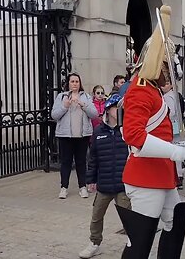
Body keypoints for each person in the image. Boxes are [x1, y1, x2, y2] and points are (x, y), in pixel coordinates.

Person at [116, 5, 185, 258]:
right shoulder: (140, 89)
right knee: (140, 240)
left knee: (174, 222)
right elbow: (134, 138)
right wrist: (174, 152)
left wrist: (176, 151)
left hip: (161, 173)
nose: (170, 72)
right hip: (145, 176)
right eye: (166, 66)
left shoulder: (154, 91)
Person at [79, 94, 131, 259]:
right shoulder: (98, 132)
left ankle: (134, 242)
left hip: (123, 184)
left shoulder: (127, 129)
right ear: (108, 110)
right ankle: (94, 243)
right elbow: (93, 158)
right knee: (96, 216)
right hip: (104, 184)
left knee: (129, 217)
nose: (121, 110)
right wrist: (91, 179)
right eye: (117, 107)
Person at [51, 73, 98, 199]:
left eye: (77, 81)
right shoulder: (61, 97)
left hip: (82, 136)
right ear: (68, 83)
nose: (75, 84)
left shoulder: (86, 97)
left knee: (81, 162)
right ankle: (64, 187)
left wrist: (84, 105)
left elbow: (94, 114)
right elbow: (54, 115)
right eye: (72, 81)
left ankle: (82, 187)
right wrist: (64, 106)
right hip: (65, 135)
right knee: (66, 162)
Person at [161, 80, 185, 189]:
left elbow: (170, 113)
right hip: (177, 125)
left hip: (172, 126)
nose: (163, 86)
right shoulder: (175, 95)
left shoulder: (168, 97)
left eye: (166, 83)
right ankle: (180, 175)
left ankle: (178, 176)